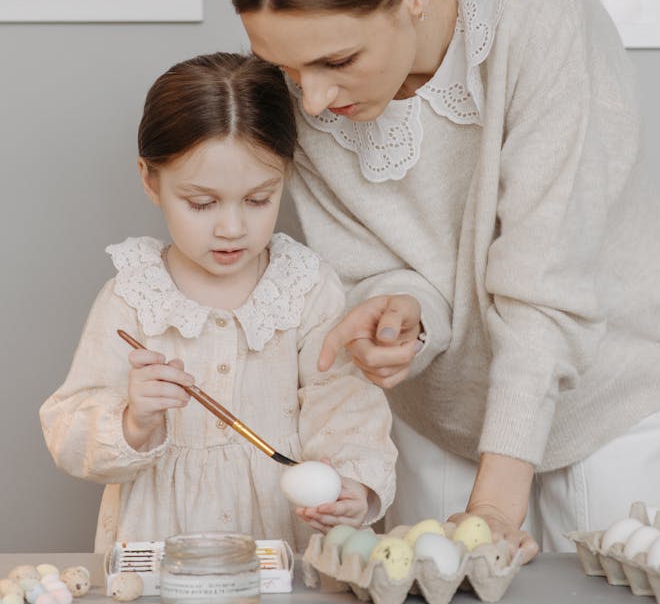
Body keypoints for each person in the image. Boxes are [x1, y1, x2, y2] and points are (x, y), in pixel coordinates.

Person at [227, 0, 660, 561]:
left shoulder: (530, 4)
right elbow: (382, 262)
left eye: (335, 61)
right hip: (441, 414)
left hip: (606, 395)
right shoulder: (308, 92)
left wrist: (493, 507)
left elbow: (550, 272)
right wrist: (404, 317)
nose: (313, 99)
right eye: (288, 69)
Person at [40, 52, 396, 553]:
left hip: (280, 541)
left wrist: (354, 486)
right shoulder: (135, 294)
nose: (232, 228)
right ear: (149, 179)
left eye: (258, 200)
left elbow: (346, 404)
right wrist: (133, 421)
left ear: (285, 178)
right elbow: (68, 427)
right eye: (202, 204)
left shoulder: (304, 288)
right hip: (161, 541)